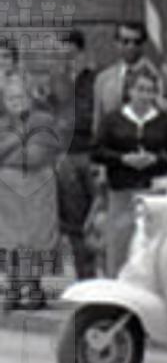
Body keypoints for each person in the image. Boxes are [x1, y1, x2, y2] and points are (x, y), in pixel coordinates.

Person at [91, 59, 167, 275]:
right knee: (120, 246)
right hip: (121, 192)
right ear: (130, 91)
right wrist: (122, 159)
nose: (145, 96)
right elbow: (96, 151)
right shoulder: (112, 120)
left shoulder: (164, 121)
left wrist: (156, 159)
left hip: (155, 193)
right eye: (140, 89)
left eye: (150, 91)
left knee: (152, 249)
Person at [0, 71, 64, 308]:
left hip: (38, 188)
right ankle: (14, 288)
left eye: (20, 97)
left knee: (36, 239)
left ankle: (34, 288)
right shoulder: (2, 123)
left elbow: (35, 156)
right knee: (10, 239)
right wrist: (20, 140)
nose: (16, 102)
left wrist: (6, 153)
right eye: (10, 98)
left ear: (29, 98)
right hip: (7, 194)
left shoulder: (44, 120)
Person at [52, 28, 99, 280]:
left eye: (71, 54)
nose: (67, 60)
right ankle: (86, 278)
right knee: (74, 222)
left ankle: (106, 277)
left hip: (92, 154)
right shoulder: (56, 82)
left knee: (98, 219)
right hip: (66, 157)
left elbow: (96, 116)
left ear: (82, 53)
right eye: (62, 55)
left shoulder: (96, 80)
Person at [93, 21, 167, 139]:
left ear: (144, 44)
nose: (131, 46)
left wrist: (160, 104)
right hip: (115, 147)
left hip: (151, 143)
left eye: (136, 42)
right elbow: (98, 123)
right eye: (125, 41)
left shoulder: (162, 75)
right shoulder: (103, 79)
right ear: (116, 43)